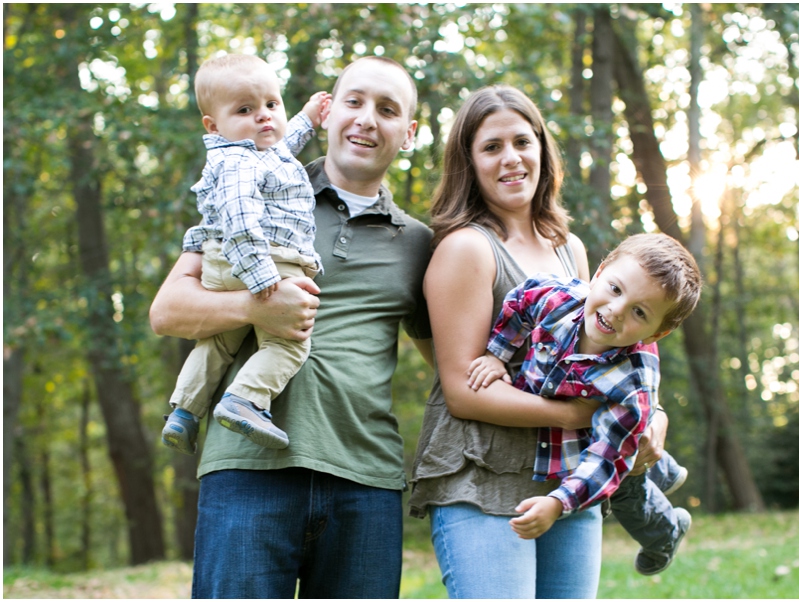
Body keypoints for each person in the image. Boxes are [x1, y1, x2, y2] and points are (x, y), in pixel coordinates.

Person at [149, 56, 431, 598]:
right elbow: (168, 312)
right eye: (354, 102)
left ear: (409, 133)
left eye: (387, 109)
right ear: (326, 114)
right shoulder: (258, 183)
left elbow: (450, 362)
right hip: (247, 471)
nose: (367, 119)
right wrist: (255, 310)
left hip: (365, 480)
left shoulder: (419, 244)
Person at [408, 85, 669, 599]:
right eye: (491, 147)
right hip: (482, 478)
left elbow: (613, 348)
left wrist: (651, 415)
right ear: (469, 162)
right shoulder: (466, 248)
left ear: (542, 151)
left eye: (522, 142)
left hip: (565, 480)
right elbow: (462, 390)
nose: (511, 158)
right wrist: (577, 414)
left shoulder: (567, 246)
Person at [467, 232, 701, 575]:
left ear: (655, 334)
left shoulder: (633, 384)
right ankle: (664, 468)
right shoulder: (556, 297)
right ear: (599, 271)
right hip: (589, 408)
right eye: (615, 289)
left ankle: (664, 529)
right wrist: (496, 354)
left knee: (625, 483)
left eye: (639, 311)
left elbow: (607, 458)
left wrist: (559, 502)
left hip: (606, 433)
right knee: (628, 446)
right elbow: (520, 302)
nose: (615, 310)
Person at [161, 53, 331, 454]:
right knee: (288, 342)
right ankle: (246, 400)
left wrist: (307, 117)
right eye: (245, 109)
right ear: (213, 125)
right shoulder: (238, 161)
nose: (264, 117)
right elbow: (239, 217)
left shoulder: (255, 151)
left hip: (223, 265)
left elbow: (283, 142)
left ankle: (184, 412)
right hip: (264, 257)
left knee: (219, 342)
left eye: (272, 104)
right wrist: (262, 278)